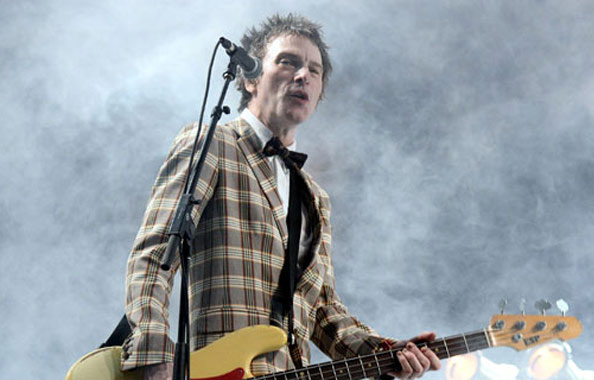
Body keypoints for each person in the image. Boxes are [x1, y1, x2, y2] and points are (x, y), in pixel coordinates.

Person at [121, 13, 441, 380]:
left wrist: (387, 353)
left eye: (314, 70)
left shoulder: (314, 199)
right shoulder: (214, 144)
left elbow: (322, 311)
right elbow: (155, 255)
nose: (303, 75)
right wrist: (154, 356)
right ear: (249, 78)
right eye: (288, 61)